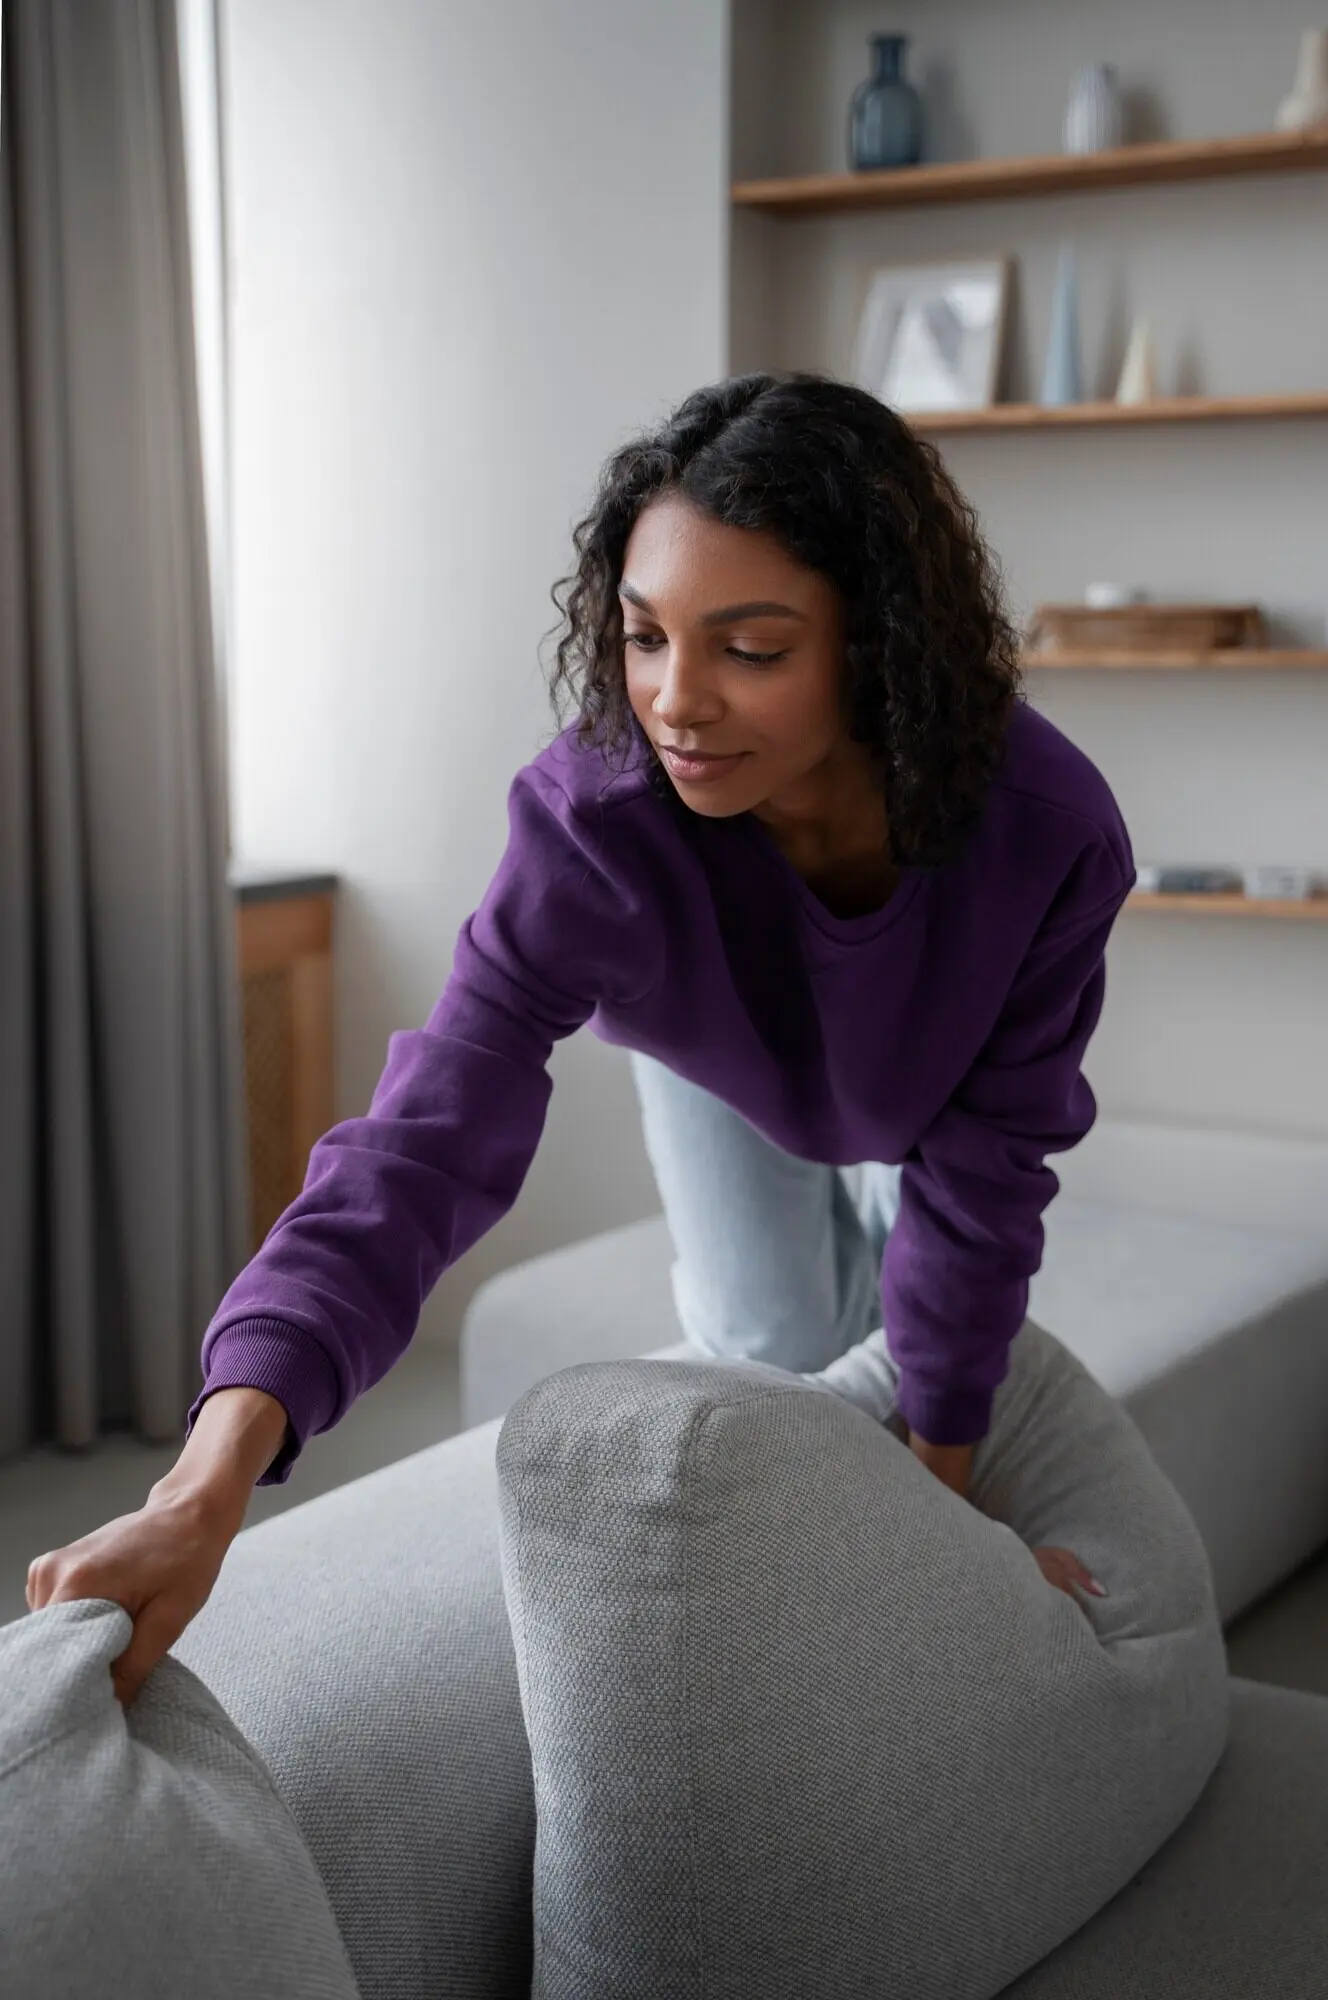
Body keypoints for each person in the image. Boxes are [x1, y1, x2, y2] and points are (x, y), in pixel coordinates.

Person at [27, 371, 1130, 1705]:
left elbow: (992, 1173)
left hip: (928, 1080)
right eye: (644, 635)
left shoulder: (1048, 832)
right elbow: (417, 1150)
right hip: (723, 1059)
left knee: (932, 1322)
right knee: (778, 1339)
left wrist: (943, 1509)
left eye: (751, 650)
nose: (674, 701)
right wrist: (202, 1492)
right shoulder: (594, 825)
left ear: (878, 645)